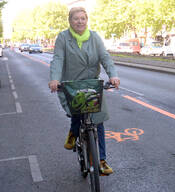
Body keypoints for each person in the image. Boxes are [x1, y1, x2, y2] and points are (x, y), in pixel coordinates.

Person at [48, 7, 120, 175]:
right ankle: (73, 133)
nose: (80, 21)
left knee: (98, 120)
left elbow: (105, 57)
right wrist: (54, 79)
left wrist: (113, 75)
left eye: (83, 18)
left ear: (86, 20)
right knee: (78, 112)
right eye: (76, 18)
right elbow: (58, 59)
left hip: (92, 84)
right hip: (71, 84)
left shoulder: (94, 37)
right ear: (70, 21)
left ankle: (101, 160)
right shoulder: (63, 38)